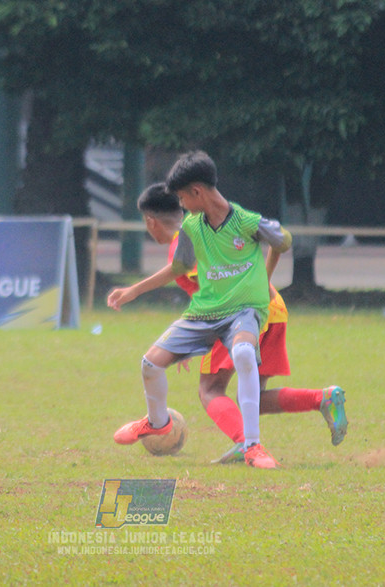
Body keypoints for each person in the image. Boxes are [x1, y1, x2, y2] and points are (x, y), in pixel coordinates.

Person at [129, 182, 347, 464]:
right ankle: (322, 398)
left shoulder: (187, 240)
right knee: (255, 396)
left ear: (150, 221)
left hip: (235, 316)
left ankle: (246, 443)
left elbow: (215, 287)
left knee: (210, 390)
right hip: (272, 308)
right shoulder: (208, 228)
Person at [107, 150, 292, 468]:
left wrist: (264, 279)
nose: (181, 205)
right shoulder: (192, 227)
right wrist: (133, 291)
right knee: (150, 363)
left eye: (182, 198)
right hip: (204, 314)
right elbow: (179, 266)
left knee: (244, 353)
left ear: (196, 192)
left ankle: (252, 446)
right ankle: (157, 422)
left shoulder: (246, 222)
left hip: (244, 312)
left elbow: (282, 242)